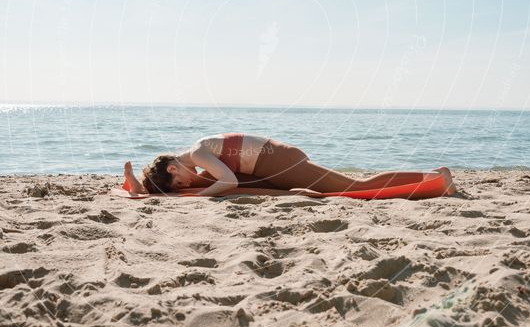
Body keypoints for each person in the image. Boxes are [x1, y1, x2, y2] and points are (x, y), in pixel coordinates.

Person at [123, 132, 457, 198]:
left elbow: (230, 182)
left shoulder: (196, 154)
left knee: (354, 187)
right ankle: (143, 189)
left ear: (172, 169)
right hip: (268, 166)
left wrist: (200, 194)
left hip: (278, 160)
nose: (187, 181)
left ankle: (437, 178)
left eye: (179, 183)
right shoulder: (193, 160)